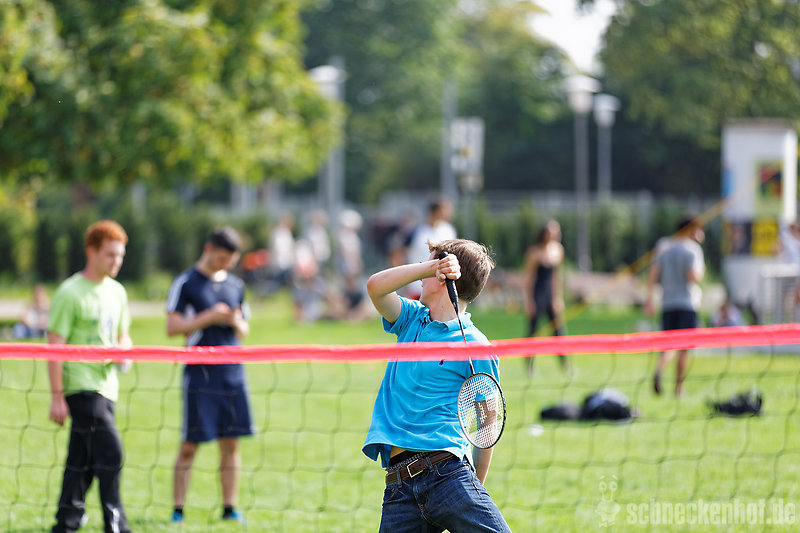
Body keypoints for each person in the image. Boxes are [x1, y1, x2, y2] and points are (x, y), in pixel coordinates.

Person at [363, 238, 511, 532]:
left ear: (445, 277)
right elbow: (375, 287)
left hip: (448, 475)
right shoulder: (410, 320)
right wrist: (428, 268)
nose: (422, 273)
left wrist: (475, 487)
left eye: (429, 264)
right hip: (399, 486)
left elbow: (486, 430)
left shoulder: (476, 345)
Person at [47, 220, 132, 533]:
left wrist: (125, 352)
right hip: (81, 388)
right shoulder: (69, 293)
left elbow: (123, 336)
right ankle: (116, 524)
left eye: (120, 255)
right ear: (91, 252)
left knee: (81, 459)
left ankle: (66, 521)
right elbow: (54, 347)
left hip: (108, 387)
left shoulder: (118, 292)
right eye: (110, 255)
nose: (116, 261)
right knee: (111, 452)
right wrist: (57, 397)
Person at [166, 227, 254, 524]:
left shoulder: (236, 285)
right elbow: (172, 327)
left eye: (230, 260)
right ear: (208, 249)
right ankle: (178, 511)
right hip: (199, 374)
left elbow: (245, 328)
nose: (225, 264)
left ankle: (230, 509)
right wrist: (209, 317)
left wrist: (234, 320)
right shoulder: (186, 282)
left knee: (231, 443)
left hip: (233, 372)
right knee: (189, 445)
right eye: (221, 258)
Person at [645, 216, 705, 396]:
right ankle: (679, 388)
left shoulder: (663, 245)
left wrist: (649, 299)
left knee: (668, 344)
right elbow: (693, 276)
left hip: (667, 303)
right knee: (684, 348)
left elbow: (653, 273)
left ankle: (659, 368)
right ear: (691, 229)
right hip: (687, 303)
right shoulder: (693, 249)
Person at [523, 219, 568, 377]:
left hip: (550, 296)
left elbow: (557, 277)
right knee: (533, 331)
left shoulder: (558, 250)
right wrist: (529, 301)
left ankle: (565, 365)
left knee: (558, 331)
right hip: (537, 295)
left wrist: (558, 298)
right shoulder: (535, 252)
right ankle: (529, 366)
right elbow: (529, 278)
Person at [405, 199, 457, 298]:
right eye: (445, 209)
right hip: (417, 286)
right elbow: (398, 253)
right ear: (435, 211)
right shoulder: (416, 231)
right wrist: (404, 280)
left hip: (441, 285)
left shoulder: (449, 230)